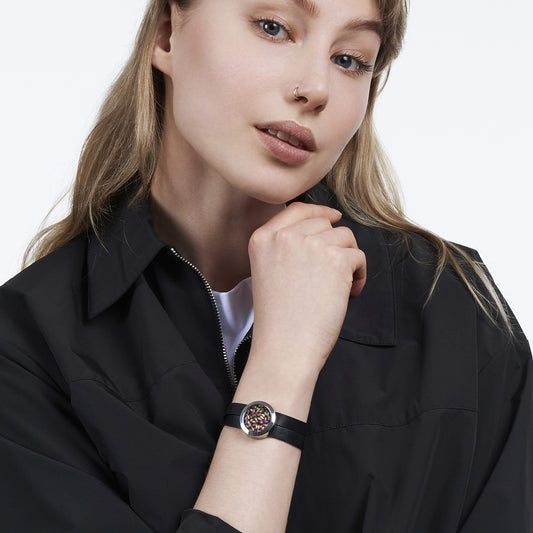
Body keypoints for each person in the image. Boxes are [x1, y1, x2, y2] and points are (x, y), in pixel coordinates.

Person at [0, 0, 531, 531]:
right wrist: (282, 366)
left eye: (349, 60)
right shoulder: (27, 347)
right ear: (166, 36)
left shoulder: (455, 312)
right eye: (273, 28)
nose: (316, 88)